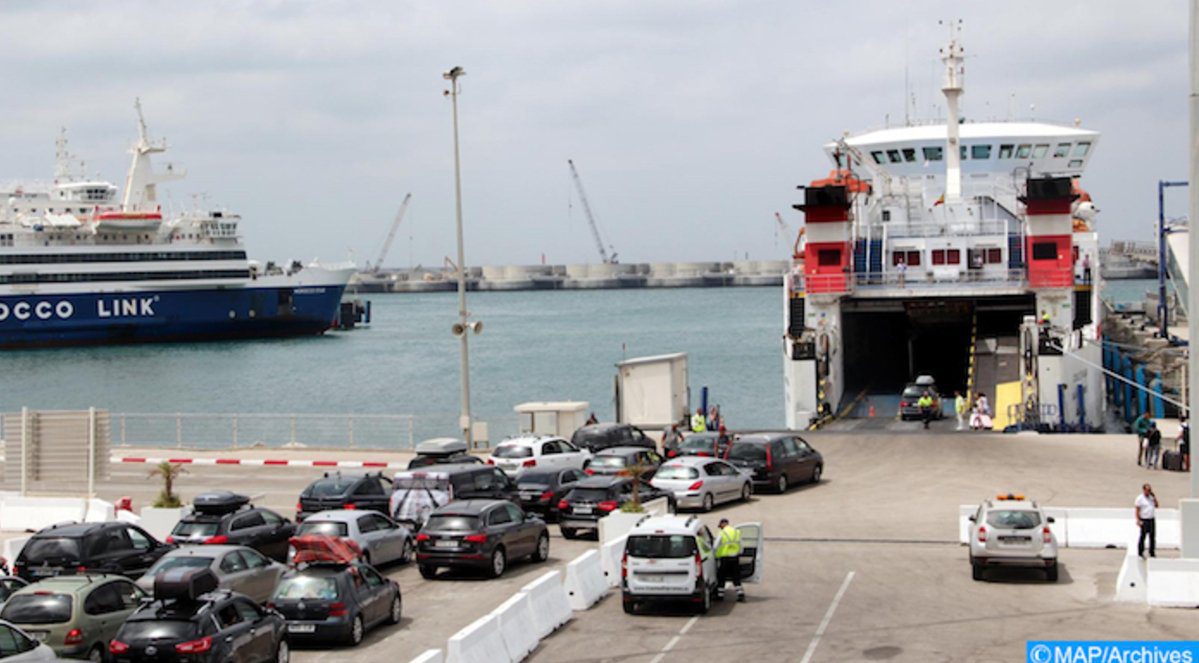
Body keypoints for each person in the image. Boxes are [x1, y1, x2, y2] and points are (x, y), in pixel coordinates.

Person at [714, 518, 745, 602]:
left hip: (725, 558)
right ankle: (740, 594)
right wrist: (740, 553)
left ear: (723, 524)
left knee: (722, 576)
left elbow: (716, 545)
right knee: (736, 576)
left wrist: (714, 554)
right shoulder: (736, 532)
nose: (720, 527)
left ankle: (720, 596)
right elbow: (741, 545)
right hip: (735, 558)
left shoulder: (722, 533)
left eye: (720, 526)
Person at [1135, 483, 1158, 558]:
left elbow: (1157, 506)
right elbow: (1137, 510)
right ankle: (1140, 551)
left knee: (1152, 536)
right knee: (1143, 536)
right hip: (1144, 519)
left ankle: (1152, 551)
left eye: (1150, 490)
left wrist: (1154, 498)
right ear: (1144, 490)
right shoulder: (1140, 498)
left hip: (1151, 519)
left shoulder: (1151, 497)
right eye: (1148, 490)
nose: (1149, 491)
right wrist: (1138, 520)